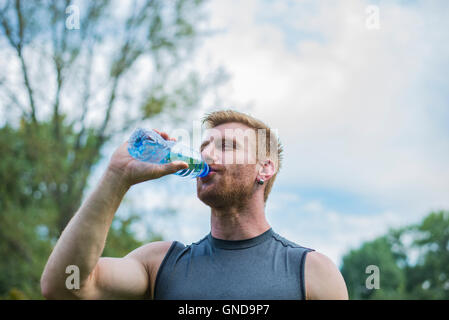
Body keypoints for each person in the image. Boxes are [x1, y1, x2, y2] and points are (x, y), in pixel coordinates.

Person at [40, 109, 348, 300]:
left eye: (226, 146)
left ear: (264, 169)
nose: (207, 155)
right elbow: (65, 287)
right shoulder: (160, 263)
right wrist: (116, 177)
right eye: (204, 146)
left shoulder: (311, 271)